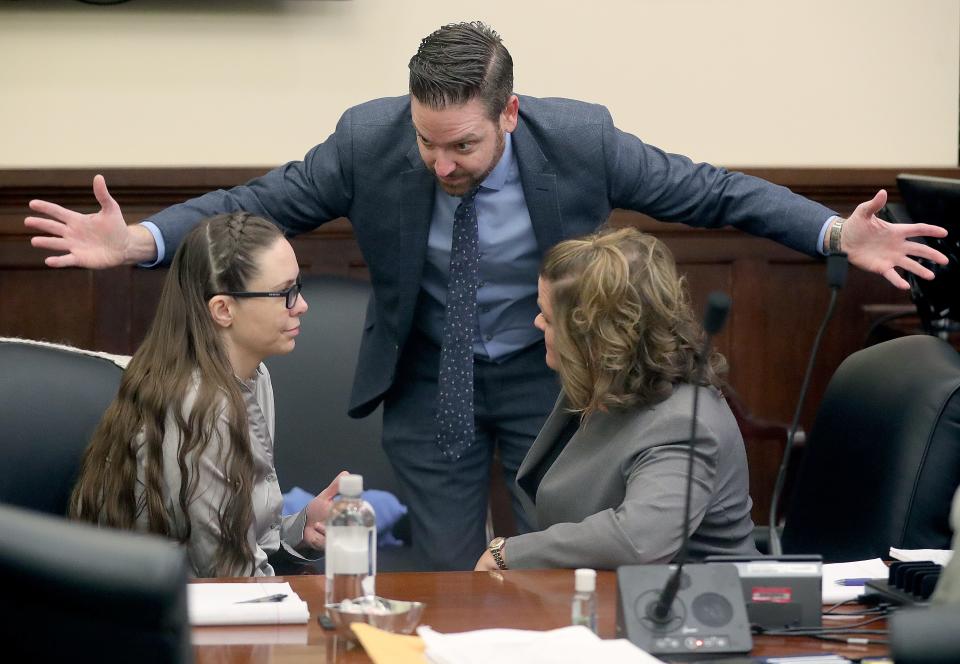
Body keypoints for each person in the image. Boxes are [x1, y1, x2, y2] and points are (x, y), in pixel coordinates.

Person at [27, 22, 946, 571]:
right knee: (443, 565)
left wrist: (833, 232)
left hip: (562, 383)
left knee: (560, 555)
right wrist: (142, 239)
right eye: (429, 141)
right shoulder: (369, 140)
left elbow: (712, 190)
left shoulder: (580, 139)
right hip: (433, 379)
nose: (441, 163)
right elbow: (260, 202)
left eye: (462, 146)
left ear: (509, 113)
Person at [69, 212, 345, 577]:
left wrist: (300, 531)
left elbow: (241, 541)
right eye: (285, 293)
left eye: (299, 287)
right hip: (157, 621)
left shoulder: (254, 375)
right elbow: (227, 574)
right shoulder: (201, 405)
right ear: (223, 309)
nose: (301, 305)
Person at [476, 227, 757, 571]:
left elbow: (637, 540)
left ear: (594, 336)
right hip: (605, 597)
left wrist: (508, 554)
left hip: (693, 610)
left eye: (548, 318)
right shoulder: (605, 385)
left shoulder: (683, 424)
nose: (536, 323)